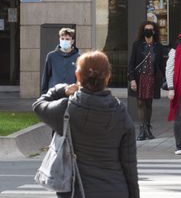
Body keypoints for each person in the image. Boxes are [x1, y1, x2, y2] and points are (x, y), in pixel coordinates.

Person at [33, 51, 139, 198]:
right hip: (115, 190)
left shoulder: (65, 110)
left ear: (77, 77)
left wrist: (61, 90)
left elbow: (38, 105)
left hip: (76, 191)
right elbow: (129, 165)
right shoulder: (121, 112)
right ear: (108, 77)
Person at [128, 21, 169, 141]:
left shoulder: (158, 46)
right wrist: (132, 80)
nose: (148, 31)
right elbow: (132, 63)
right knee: (140, 103)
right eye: (146, 29)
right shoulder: (137, 45)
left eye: (150, 29)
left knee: (149, 104)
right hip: (139, 78)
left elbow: (162, 65)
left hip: (152, 78)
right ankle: (142, 130)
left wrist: (167, 79)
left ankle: (148, 128)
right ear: (143, 31)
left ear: (154, 31)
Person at [41, 28, 80, 94]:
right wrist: (43, 94)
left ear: (72, 41)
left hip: (71, 94)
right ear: (59, 40)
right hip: (54, 94)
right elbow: (46, 76)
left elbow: (80, 78)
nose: (64, 41)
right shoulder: (51, 56)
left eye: (67, 39)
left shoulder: (78, 57)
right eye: (62, 39)